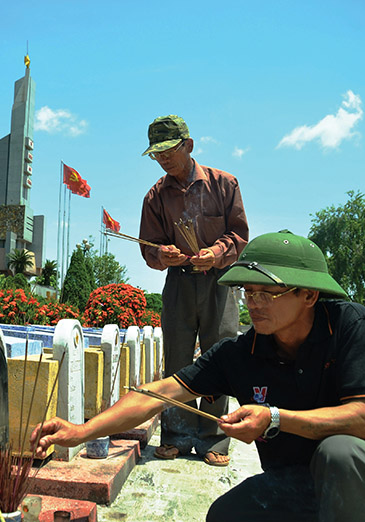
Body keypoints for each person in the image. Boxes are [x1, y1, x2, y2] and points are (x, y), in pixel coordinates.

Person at [32, 231, 365, 521]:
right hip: (301, 479)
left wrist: (274, 418)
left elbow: (361, 419)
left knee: (338, 454)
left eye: (266, 293)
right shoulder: (242, 351)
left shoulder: (350, 325)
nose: (253, 303)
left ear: (309, 295)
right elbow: (158, 394)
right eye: (247, 292)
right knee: (226, 516)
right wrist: (81, 431)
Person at [138, 114, 249, 466]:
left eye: (168, 151)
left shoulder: (224, 185)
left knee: (220, 356)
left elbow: (239, 236)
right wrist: (162, 254)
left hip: (220, 284)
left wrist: (217, 253)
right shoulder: (155, 196)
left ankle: (214, 439)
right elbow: (149, 247)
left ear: (188, 145)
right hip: (179, 284)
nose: (163, 159)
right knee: (177, 359)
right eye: (156, 154)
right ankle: (175, 435)